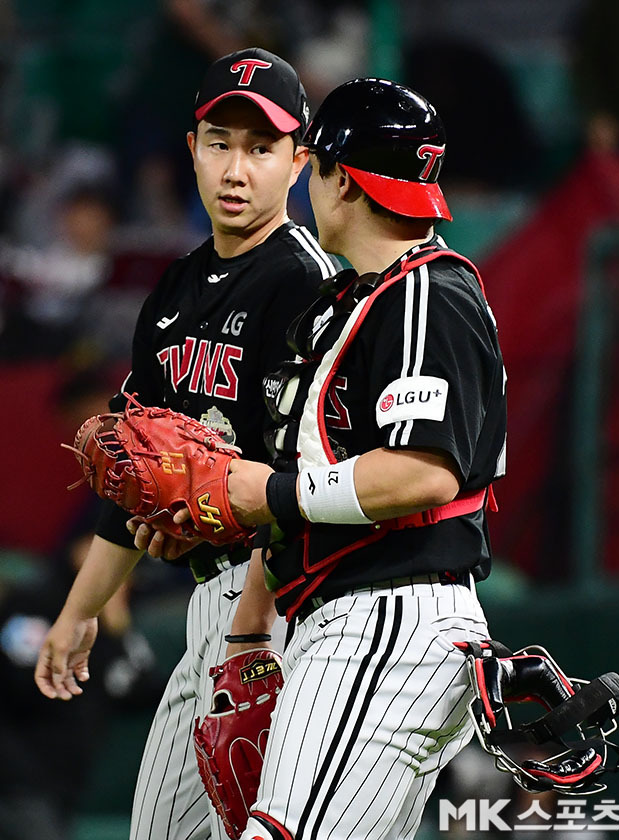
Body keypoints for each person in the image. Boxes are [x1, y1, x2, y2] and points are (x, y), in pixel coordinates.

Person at [34, 48, 340, 840]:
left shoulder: (304, 282)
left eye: (262, 148)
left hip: (277, 607)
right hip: (210, 598)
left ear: (298, 163)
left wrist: (246, 617)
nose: (237, 169)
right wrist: (80, 614)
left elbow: (309, 479)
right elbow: (133, 477)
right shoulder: (172, 290)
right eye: (220, 143)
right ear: (191, 150)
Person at [200, 77, 508, 839]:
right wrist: (249, 634)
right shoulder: (352, 303)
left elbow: (421, 472)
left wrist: (271, 494)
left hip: (391, 615)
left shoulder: (426, 295)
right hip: (343, 616)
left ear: (337, 179)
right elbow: (310, 488)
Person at [0, 512, 163, 840]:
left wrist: (120, 631)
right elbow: (25, 683)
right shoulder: (37, 601)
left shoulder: (108, 626)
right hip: (16, 780)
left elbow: (143, 690)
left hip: (61, 785)